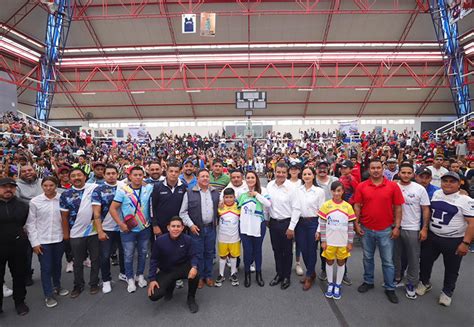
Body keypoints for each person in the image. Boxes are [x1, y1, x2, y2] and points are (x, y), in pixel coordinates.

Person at [416, 172, 474, 307]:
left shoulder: (466, 200)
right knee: (425, 261)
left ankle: (447, 292)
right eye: (445, 181)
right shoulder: (436, 193)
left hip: (453, 239)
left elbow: (472, 223)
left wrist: (465, 243)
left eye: (452, 181)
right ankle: (424, 282)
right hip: (433, 236)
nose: (448, 184)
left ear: (460, 183)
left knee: (452, 268)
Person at [353, 158, 405, 304]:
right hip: (366, 229)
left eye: (378, 167)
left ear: (383, 169)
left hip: (386, 230)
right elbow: (357, 206)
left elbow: (398, 207)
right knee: (367, 258)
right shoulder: (362, 186)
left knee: (388, 261)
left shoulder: (393, 186)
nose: (375, 170)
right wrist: (356, 224)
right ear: (369, 170)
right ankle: (368, 281)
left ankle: (390, 288)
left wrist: (397, 226)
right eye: (373, 168)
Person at [25, 176, 69, 308]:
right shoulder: (35, 202)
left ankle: (57, 286)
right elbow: (30, 224)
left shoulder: (63, 199)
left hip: (59, 238)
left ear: (56, 185)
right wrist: (34, 243)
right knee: (46, 268)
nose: (48, 188)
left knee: (57, 265)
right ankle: (48, 294)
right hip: (43, 241)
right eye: (45, 186)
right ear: (42, 186)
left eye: (51, 185)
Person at [109, 166, 153, 293]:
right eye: (135, 175)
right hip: (127, 230)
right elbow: (113, 209)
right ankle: (129, 278)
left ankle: (140, 275)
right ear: (130, 176)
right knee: (128, 255)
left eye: (140, 174)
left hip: (144, 228)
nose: (138, 177)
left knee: (142, 253)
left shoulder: (148, 188)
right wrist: (120, 224)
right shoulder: (122, 190)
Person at [60, 168, 100, 298]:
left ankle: (94, 283)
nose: (76, 178)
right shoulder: (65, 194)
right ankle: (78, 285)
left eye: (79, 175)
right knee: (77, 262)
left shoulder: (94, 188)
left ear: (85, 177)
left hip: (93, 231)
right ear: (70, 178)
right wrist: (66, 234)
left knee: (95, 259)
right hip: (76, 233)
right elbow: (64, 216)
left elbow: (117, 183)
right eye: (73, 176)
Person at [147, 217, 199, 313]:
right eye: (173, 226)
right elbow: (154, 260)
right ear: (168, 228)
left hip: (182, 267)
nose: (175, 229)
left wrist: (194, 267)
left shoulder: (188, 240)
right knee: (154, 295)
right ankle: (170, 287)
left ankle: (191, 298)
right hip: (167, 269)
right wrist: (152, 279)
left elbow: (194, 255)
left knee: (195, 273)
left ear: (182, 228)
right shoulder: (160, 241)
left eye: (178, 226)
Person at [394, 163, 430, 300]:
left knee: (413, 258)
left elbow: (425, 209)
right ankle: (397, 278)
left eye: (409, 173)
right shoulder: (394, 186)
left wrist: (424, 228)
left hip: (413, 228)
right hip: (396, 227)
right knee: (396, 256)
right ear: (399, 173)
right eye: (403, 172)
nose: (406, 175)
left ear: (413, 174)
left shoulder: (420, 189)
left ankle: (411, 283)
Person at [179, 169, 219, 288]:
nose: (205, 178)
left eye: (207, 176)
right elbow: (183, 212)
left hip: (211, 228)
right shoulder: (190, 192)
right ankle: (200, 277)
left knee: (210, 253)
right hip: (196, 229)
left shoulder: (215, 193)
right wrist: (190, 225)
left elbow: (220, 209)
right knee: (198, 253)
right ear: (197, 178)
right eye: (202, 176)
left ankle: (208, 275)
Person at [91, 165, 126, 294]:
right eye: (108, 173)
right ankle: (106, 280)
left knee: (124, 253)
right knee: (105, 256)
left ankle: (124, 273)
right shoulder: (98, 190)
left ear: (117, 174)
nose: (111, 175)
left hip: (123, 226)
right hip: (106, 228)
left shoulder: (124, 187)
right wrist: (99, 230)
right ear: (104, 175)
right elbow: (96, 213)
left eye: (113, 173)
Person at [318, 181, 356, 300]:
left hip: (343, 242)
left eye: (339, 191)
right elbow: (322, 224)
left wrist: (350, 242)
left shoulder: (348, 206)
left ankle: (338, 285)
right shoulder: (326, 205)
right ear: (331, 192)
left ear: (343, 191)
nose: (336, 193)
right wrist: (323, 241)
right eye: (334, 191)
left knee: (341, 262)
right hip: (330, 241)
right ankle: (330, 283)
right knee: (329, 261)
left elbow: (351, 226)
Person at [267, 163, 300, 290]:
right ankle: (279, 274)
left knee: (287, 252)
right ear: (274, 172)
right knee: (276, 250)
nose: (280, 174)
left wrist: (291, 227)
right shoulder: (270, 185)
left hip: (287, 223)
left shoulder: (292, 188)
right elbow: (267, 204)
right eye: (278, 172)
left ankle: (286, 276)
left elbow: (296, 208)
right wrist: (267, 220)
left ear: (287, 173)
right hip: (273, 223)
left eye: (283, 172)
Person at [0, 177, 30, 315]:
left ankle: (20, 302)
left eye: (11, 187)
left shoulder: (23, 205)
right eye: (4, 187)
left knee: (19, 275)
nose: (8, 189)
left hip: (18, 246)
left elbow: (26, 224)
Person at [238, 171, 271, 287]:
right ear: (245, 179)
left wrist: (256, 194)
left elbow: (268, 204)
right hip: (245, 225)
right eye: (248, 178)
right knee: (247, 251)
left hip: (258, 224)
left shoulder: (263, 190)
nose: (250, 179)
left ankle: (258, 274)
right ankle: (247, 274)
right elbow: (235, 205)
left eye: (253, 177)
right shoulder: (241, 191)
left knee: (257, 250)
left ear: (256, 179)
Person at [295, 166, 325, 290]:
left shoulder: (319, 191)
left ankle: (309, 275)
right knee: (303, 249)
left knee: (312, 250)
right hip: (300, 223)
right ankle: (311, 272)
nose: (307, 176)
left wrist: (319, 229)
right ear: (302, 176)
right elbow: (295, 208)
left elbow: (322, 211)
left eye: (309, 174)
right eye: (304, 174)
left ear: (314, 175)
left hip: (313, 222)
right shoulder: (298, 190)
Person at [16, 164, 43, 286]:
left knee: (46, 250)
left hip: (44, 222)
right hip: (26, 224)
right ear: (20, 174)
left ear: (34, 170)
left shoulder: (43, 182)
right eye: (24, 171)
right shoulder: (16, 186)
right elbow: (16, 203)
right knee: (26, 253)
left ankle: (48, 272)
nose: (28, 172)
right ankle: (27, 274)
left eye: (30, 170)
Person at [315, 160, 338, 281]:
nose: (322, 170)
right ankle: (324, 269)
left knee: (340, 246)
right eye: (320, 168)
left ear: (329, 168)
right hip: (319, 218)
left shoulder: (335, 180)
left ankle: (343, 273)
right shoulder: (313, 181)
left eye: (325, 168)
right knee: (323, 245)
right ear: (316, 169)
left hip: (335, 218)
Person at [215, 188, 240, 287]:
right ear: (223, 198)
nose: (229, 199)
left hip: (234, 237)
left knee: (233, 256)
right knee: (222, 256)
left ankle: (233, 273)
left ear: (234, 197)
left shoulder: (238, 207)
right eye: (226, 197)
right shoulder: (220, 207)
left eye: (231, 197)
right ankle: (221, 274)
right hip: (222, 237)